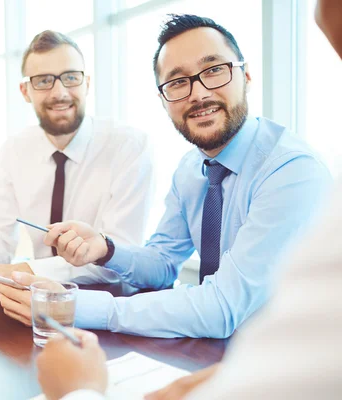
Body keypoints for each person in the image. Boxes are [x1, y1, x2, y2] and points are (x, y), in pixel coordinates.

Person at [36, 4, 342, 399]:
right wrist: (106, 249)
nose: (198, 93)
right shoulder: (190, 167)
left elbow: (223, 308)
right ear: (164, 100)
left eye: (214, 70)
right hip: (215, 361)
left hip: (289, 372)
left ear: (245, 75)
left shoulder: (292, 170)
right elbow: (163, 263)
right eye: (177, 82)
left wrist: (76, 306)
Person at [0, 30, 154, 291]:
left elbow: (119, 255)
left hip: (112, 300)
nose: (59, 92)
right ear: (25, 91)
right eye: (43, 81)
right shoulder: (12, 151)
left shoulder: (130, 147)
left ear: (87, 83)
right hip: (34, 299)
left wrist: (17, 271)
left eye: (71, 78)